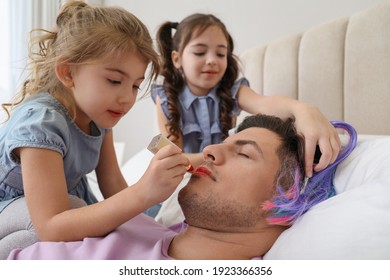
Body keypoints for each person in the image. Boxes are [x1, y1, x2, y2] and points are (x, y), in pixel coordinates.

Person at [8, 114, 356, 259]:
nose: (209, 151)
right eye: (222, 142)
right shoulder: (140, 221)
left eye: (244, 154)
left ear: (289, 199)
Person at [0, 1, 191, 259]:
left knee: (131, 219)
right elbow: (51, 226)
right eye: (114, 81)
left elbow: (113, 186)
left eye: (135, 85)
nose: (127, 98)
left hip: (54, 213)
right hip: (15, 213)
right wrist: (142, 192)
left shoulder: (98, 118)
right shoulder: (41, 125)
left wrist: (158, 192)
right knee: (64, 219)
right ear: (68, 72)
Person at [152, 13, 340, 178]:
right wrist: (222, 154)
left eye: (220, 54)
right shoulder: (166, 99)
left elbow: (264, 104)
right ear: (176, 59)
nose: (211, 61)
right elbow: (177, 159)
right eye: (200, 52)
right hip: (187, 175)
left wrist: (303, 109)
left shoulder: (233, 91)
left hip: (225, 171)